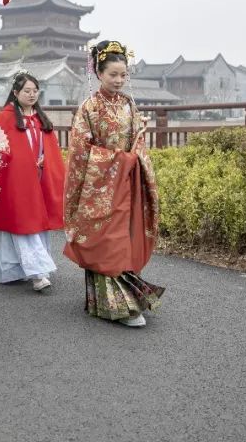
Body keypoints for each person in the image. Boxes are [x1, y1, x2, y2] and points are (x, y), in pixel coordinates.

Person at [64, 40, 165, 328]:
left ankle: (115, 302)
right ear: (99, 73)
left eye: (123, 75)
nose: (119, 81)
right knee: (107, 239)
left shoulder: (129, 104)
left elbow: (137, 141)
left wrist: (135, 156)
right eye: (113, 75)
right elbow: (81, 149)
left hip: (126, 180)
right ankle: (118, 306)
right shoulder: (89, 107)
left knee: (124, 237)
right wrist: (118, 161)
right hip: (100, 184)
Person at [0, 72, 65, 291]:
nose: (31, 94)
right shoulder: (5, 118)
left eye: (35, 91)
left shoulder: (40, 118)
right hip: (14, 181)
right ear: (15, 93)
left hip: (39, 180)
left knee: (33, 224)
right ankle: (38, 273)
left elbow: (51, 151)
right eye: (27, 91)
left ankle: (9, 271)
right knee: (23, 224)